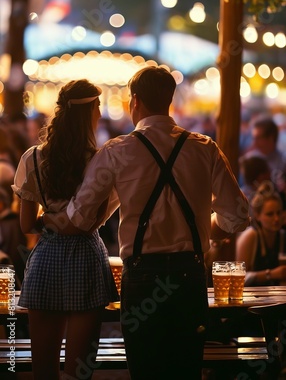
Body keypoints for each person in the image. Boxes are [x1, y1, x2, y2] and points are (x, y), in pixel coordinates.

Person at [44, 67, 249, 380]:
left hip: (142, 277)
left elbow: (79, 218)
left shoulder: (117, 151)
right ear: (169, 99)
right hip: (189, 275)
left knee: (145, 369)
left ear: (135, 101)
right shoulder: (205, 148)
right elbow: (237, 217)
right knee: (186, 369)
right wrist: (206, 231)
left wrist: (45, 219)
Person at [12, 79, 118, 380]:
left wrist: (49, 219)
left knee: (43, 370)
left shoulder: (32, 158)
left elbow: (26, 225)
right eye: (97, 108)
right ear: (91, 112)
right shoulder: (97, 161)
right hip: (86, 258)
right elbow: (94, 220)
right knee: (77, 371)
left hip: (46, 259)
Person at [236, 183, 286, 286]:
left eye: (279, 213)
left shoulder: (282, 236)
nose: (276, 219)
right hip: (252, 297)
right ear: (257, 216)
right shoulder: (250, 236)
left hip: (277, 297)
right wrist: (270, 274)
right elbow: (238, 277)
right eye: (270, 214)